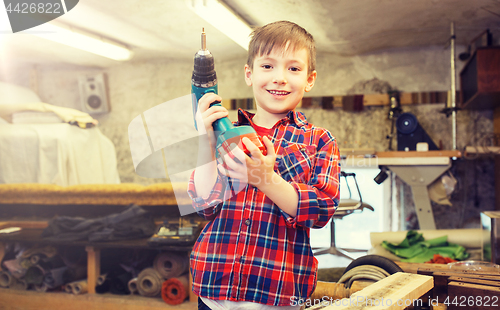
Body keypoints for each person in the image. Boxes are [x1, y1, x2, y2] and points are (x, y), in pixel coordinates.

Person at [187, 20, 340, 309]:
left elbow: (321, 210)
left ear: (310, 79)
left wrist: (265, 179)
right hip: (213, 292)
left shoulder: (320, 140)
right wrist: (203, 141)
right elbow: (203, 204)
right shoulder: (223, 133)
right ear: (249, 73)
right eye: (267, 66)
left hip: (278, 294)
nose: (280, 77)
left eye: (293, 68)